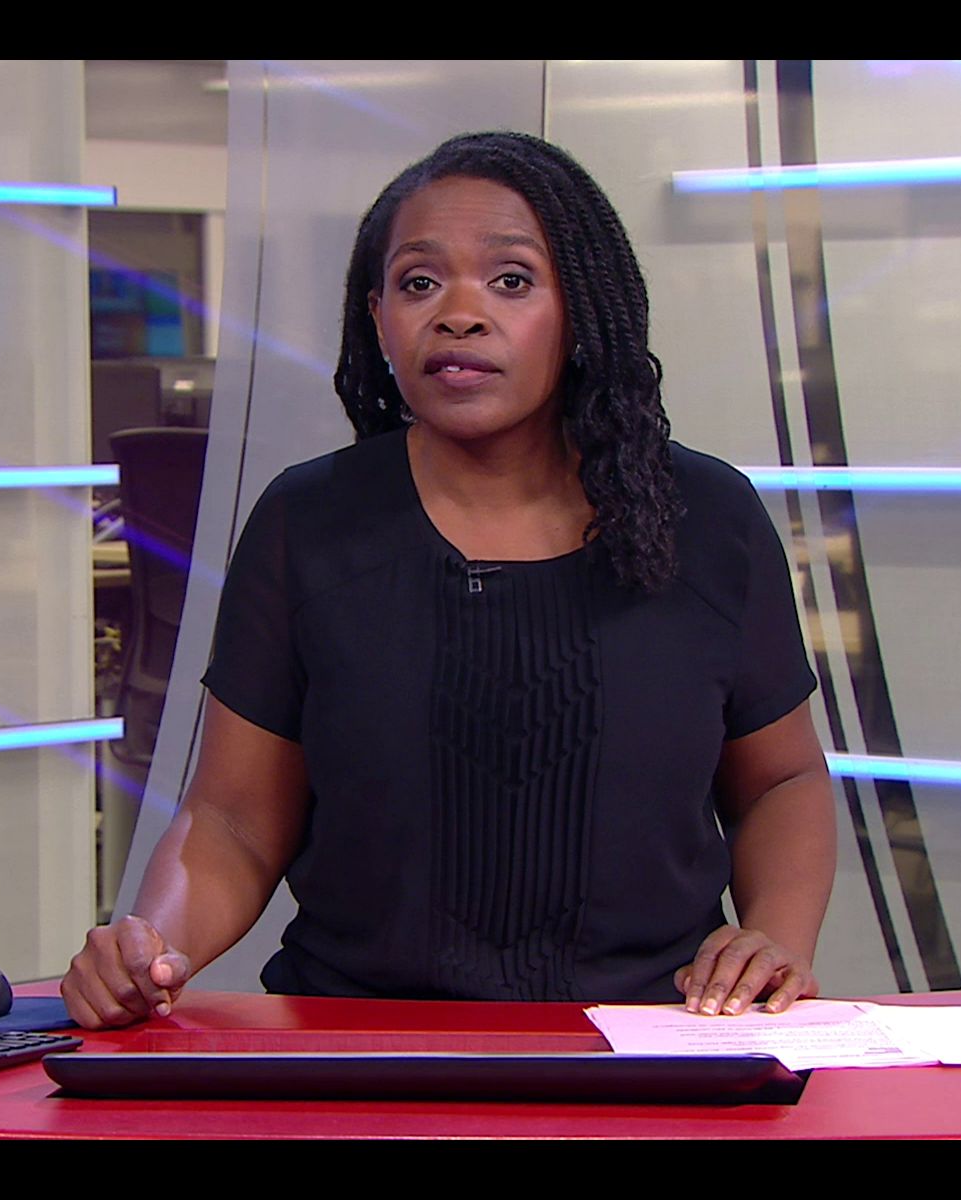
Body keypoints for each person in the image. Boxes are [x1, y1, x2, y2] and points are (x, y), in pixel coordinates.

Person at [62, 130, 835, 1028]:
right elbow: (234, 818)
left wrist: (775, 936)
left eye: (511, 280)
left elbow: (781, 782)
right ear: (377, 316)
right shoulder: (309, 522)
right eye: (419, 283)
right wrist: (150, 948)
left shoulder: (707, 517)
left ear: (583, 309)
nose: (459, 314)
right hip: (354, 1042)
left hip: (649, 1039)